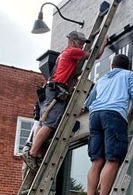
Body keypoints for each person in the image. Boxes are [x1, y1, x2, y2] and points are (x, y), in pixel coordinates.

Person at [22, 30, 109, 171]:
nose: (81, 46)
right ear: (72, 41)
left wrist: (92, 37)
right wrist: (104, 42)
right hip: (57, 90)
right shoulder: (72, 51)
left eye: (82, 43)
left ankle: (35, 152)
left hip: (52, 89)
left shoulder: (64, 54)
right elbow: (95, 55)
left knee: (45, 122)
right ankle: (32, 153)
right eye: (80, 43)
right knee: (50, 124)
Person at [82, 53, 133, 195]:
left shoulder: (101, 79)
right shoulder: (130, 75)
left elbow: (88, 102)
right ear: (127, 66)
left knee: (97, 161)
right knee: (113, 159)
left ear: (112, 66)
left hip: (95, 117)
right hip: (114, 115)